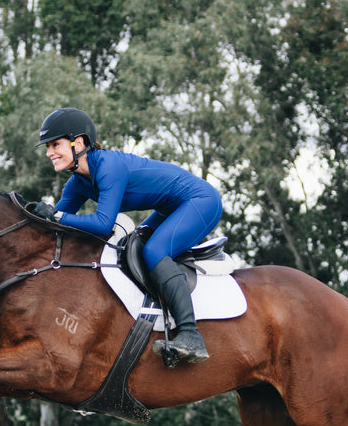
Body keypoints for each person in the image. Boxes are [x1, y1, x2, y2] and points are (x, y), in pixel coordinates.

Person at [33, 107, 223, 365]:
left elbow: (102, 224)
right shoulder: (77, 183)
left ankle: (191, 335)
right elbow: (56, 225)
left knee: (154, 251)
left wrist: (55, 216)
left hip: (200, 200)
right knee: (132, 245)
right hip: (169, 208)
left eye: (55, 144)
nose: (49, 153)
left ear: (78, 143)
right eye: (47, 146)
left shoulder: (108, 166)